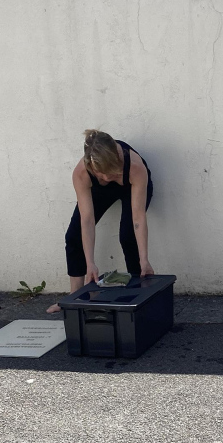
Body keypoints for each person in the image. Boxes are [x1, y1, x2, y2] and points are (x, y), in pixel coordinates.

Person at [47, 130, 154, 313]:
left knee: (128, 236)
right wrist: (90, 263)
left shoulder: (135, 167)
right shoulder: (81, 173)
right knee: (74, 236)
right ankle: (75, 298)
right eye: (101, 174)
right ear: (91, 165)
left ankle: (139, 299)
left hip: (131, 187)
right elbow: (87, 220)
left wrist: (144, 259)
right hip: (100, 191)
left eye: (111, 174)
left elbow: (138, 218)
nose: (106, 178)